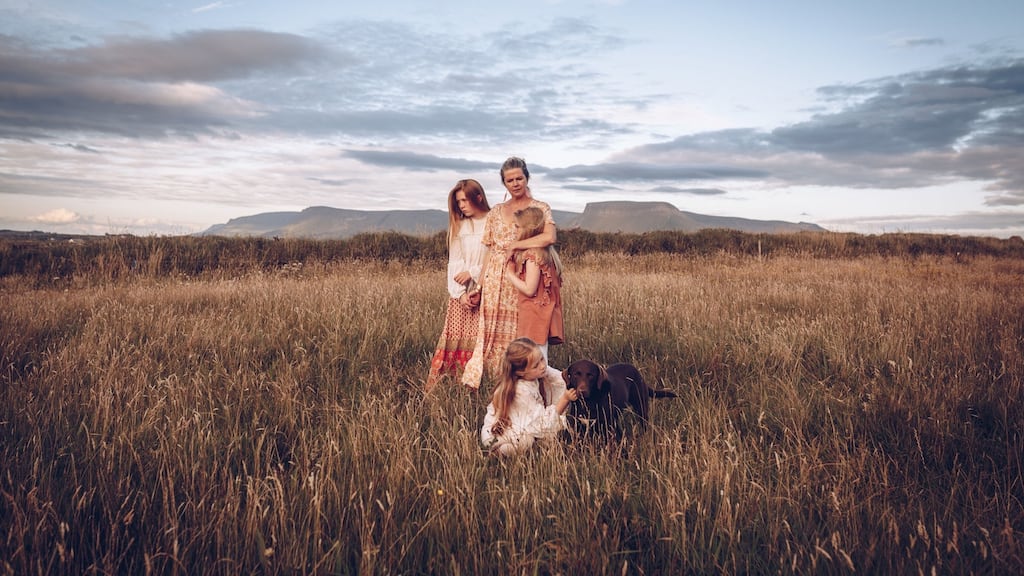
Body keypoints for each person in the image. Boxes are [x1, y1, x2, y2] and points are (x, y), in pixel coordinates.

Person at [461, 157, 556, 389]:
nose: (515, 184)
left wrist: (516, 246)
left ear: (527, 178)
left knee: (518, 333)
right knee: (490, 335)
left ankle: (519, 384)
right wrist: (479, 287)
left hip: (523, 276)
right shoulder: (496, 211)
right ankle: (493, 385)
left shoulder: (541, 208)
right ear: (504, 183)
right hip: (494, 278)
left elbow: (549, 237)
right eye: (509, 180)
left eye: (519, 178)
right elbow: (489, 252)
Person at [425, 179, 491, 391]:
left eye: (465, 200)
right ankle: (452, 390)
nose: (461, 205)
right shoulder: (459, 226)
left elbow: (496, 258)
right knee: (457, 341)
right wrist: (460, 295)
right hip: (462, 297)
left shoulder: (493, 222)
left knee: (486, 342)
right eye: (458, 201)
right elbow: (455, 262)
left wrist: (473, 273)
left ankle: (483, 388)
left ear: (478, 197)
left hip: (488, 291)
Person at [480, 337, 578, 456]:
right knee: (526, 441)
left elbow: (560, 379)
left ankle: (537, 447)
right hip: (502, 436)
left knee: (550, 434)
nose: (542, 366)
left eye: (542, 359)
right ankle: (498, 453)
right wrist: (565, 399)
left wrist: (576, 381)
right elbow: (541, 423)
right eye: (536, 365)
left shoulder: (536, 371)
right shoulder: (520, 392)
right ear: (520, 372)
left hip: (525, 424)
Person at [504, 206, 564, 361]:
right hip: (540, 313)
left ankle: (563, 383)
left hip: (534, 315)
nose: (515, 231)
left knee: (536, 361)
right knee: (537, 360)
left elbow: (529, 289)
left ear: (527, 230)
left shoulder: (532, 256)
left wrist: (510, 275)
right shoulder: (545, 254)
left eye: (517, 227)